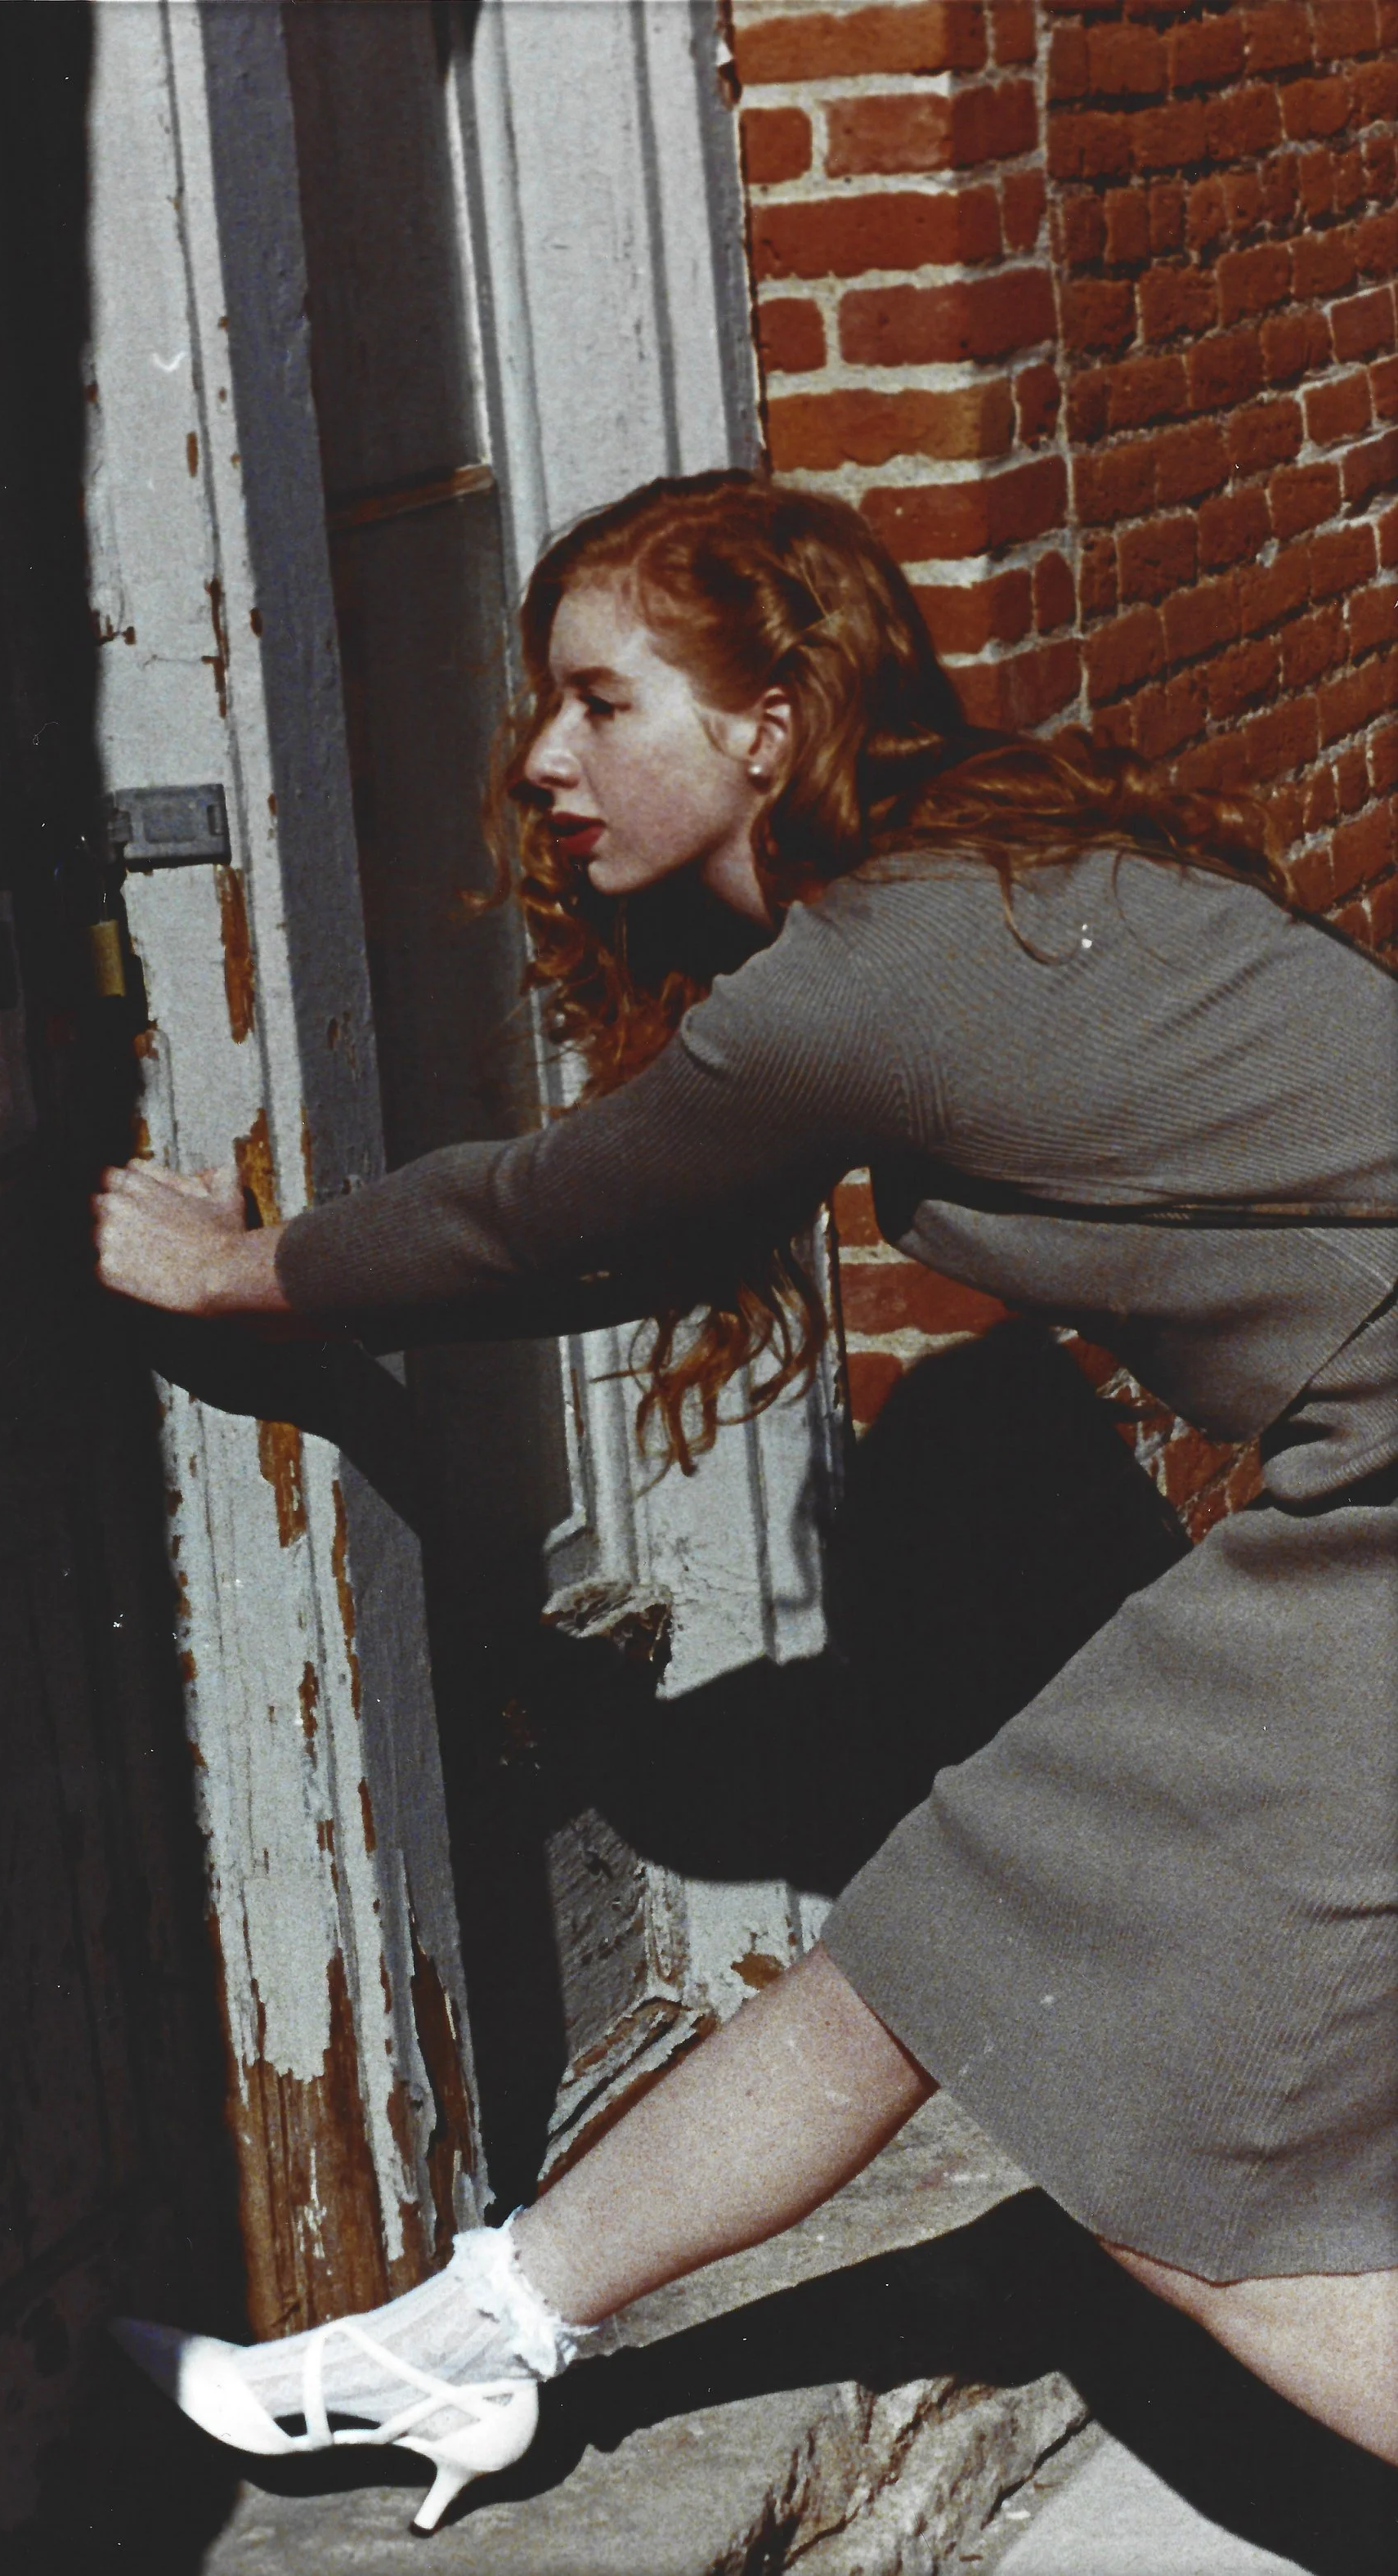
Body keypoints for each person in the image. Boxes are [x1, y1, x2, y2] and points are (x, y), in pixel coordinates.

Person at [95, 473, 1398, 2532]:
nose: (540, 759)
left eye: (601, 701)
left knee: (1145, 2123)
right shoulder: (1011, 854)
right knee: (958, 1933)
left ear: (768, 722)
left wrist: (231, 1269)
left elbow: (555, 1225)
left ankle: (465, 2342)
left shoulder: (873, 972)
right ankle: (466, 2343)